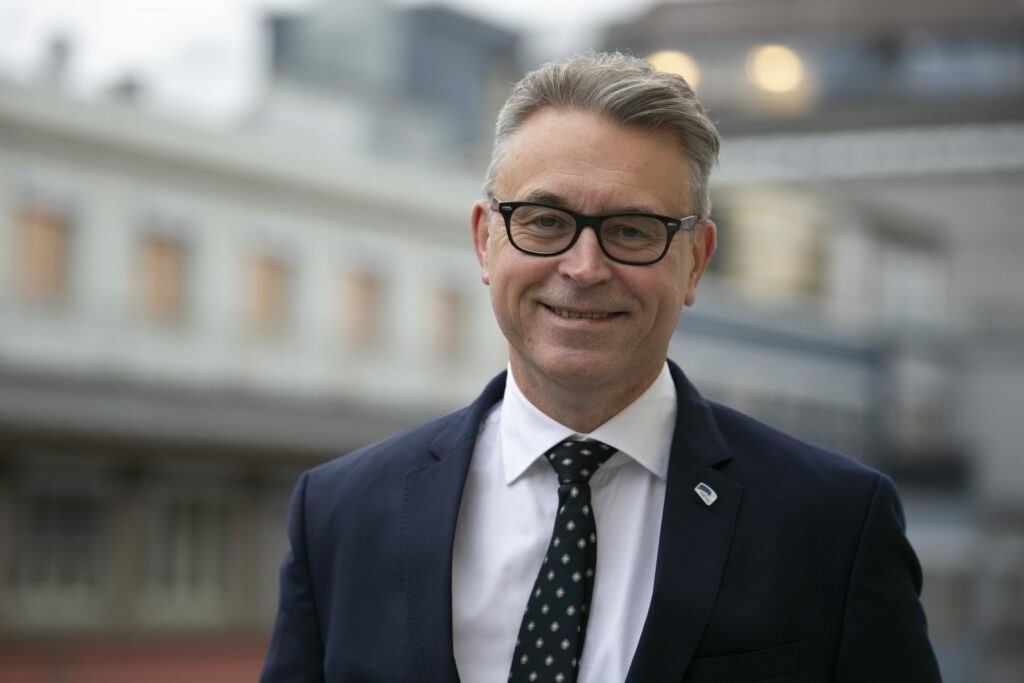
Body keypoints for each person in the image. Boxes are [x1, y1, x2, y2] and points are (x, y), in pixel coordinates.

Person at [261, 52, 940, 683]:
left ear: (696, 260)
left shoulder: (834, 524)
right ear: (485, 240)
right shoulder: (340, 513)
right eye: (545, 221)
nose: (584, 268)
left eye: (632, 231)